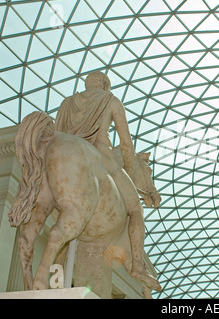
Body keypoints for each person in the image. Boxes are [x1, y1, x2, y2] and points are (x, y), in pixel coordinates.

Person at [55, 71, 161, 292]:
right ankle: (138, 267)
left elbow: (57, 135)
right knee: (135, 209)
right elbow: (126, 146)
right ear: (105, 85)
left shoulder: (67, 103)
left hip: (63, 162)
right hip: (101, 155)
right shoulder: (110, 100)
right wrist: (129, 170)